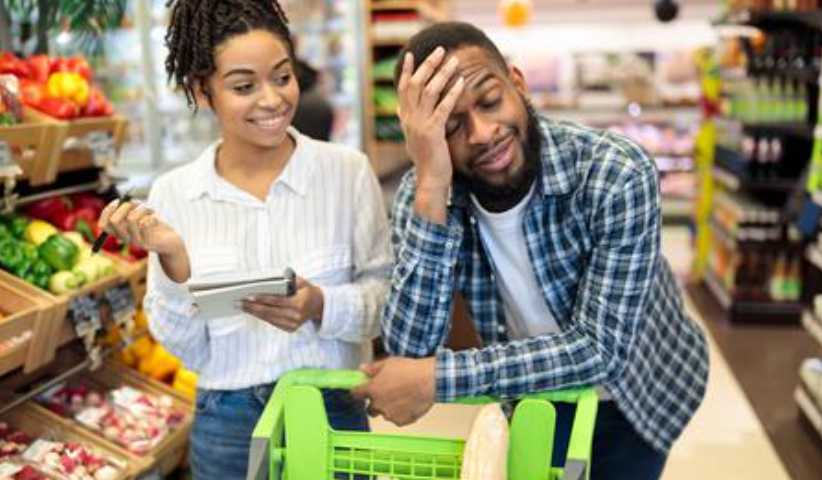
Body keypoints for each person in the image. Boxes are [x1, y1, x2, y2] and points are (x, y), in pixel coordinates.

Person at [351, 22, 709, 480]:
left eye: (489, 101)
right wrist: (432, 184)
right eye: (452, 125)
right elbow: (411, 348)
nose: (481, 134)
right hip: (531, 390)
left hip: (638, 394)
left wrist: (439, 378)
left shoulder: (615, 173)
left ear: (517, 85)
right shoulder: (426, 193)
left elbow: (599, 350)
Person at [98, 1, 392, 478]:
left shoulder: (347, 173)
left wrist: (320, 304)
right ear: (202, 90)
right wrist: (174, 260)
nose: (272, 100)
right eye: (243, 86)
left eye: (282, 76)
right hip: (228, 424)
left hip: (332, 408)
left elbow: (386, 301)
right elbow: (187, 350)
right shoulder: (176, 193)